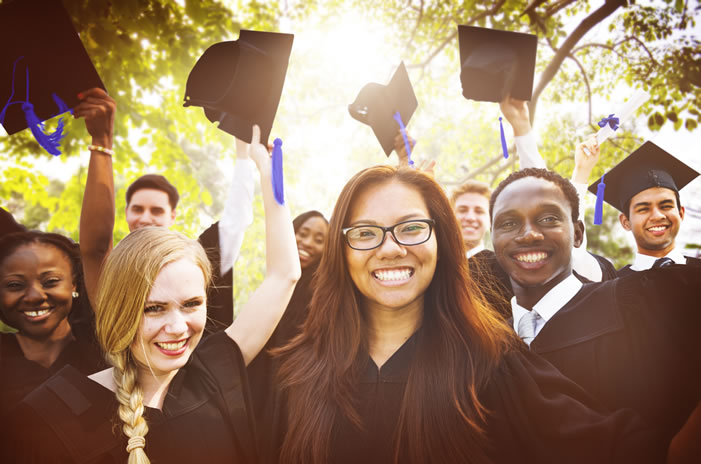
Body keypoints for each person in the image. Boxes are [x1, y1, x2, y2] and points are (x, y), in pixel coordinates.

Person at [263, 165, 665, 464]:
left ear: (443, 242)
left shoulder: (491, 363)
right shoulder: (296, 372)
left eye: (411, 227)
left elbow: (617, 446)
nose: (389, 249)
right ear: (342, 250)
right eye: (365, 232)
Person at [1, 124, 301, 463]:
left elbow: (284, 275)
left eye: (191, 304)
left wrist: (264, 168)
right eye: (154, 308)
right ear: (119, 309)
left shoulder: (213, 369)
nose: (177, 327)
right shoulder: (48, 417)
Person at [490, 167, 701, 451]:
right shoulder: (483, 343)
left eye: (549, 218)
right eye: (508, 223)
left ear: (578, 235)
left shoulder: (643, 303)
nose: (528, 234)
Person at [76, 88, 256, 331]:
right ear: (126, 213)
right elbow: (96, 248)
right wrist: (101, 141)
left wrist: (244, 155)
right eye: (138, 209)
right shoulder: (115, 273)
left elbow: (235, 221)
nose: (145, 218)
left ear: (173, 216)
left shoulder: (197, 260)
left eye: (157, 211)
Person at [0, 231, 104, 419]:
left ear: (74, 283)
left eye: (51, 281)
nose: (35, 296)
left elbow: (97, 247)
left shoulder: (102, 353)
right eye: (15, 285)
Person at [585, 141, 700, 277]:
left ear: (681, 213)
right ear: (625, 222)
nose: (657, 216)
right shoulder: (613, 288)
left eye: (666, 206)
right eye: (643, 209)